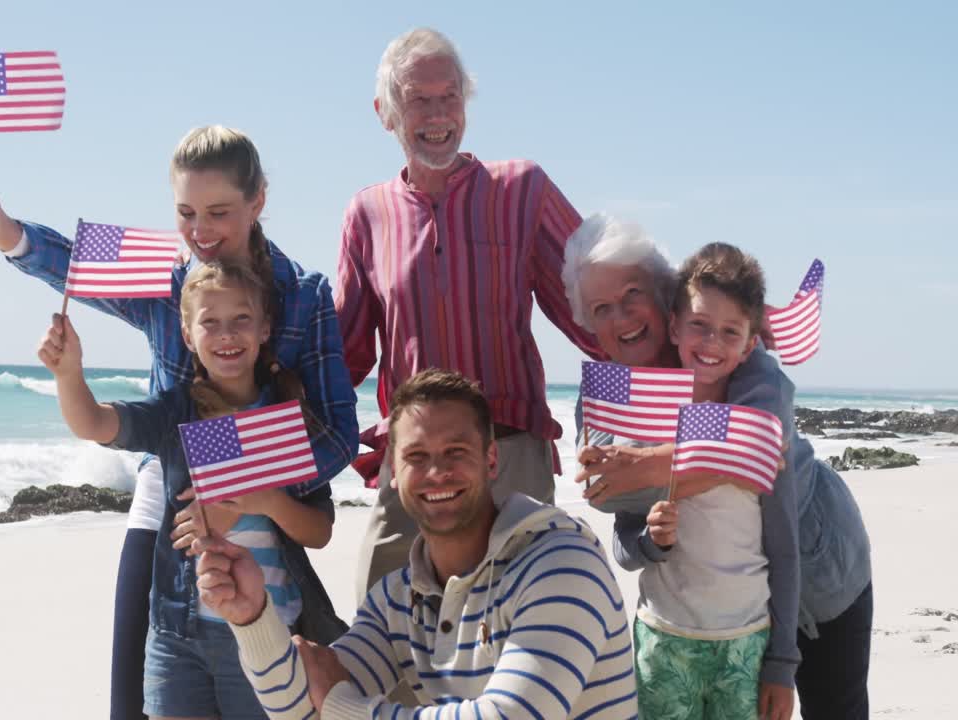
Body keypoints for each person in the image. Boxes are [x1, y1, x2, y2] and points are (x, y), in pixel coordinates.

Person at [0, 126, 359, 719]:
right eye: (186, 213)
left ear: (258, 200)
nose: (201, 232)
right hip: (165, 510)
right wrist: (1, 229)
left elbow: (339, 432)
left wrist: (240, 484)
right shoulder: (169, 279)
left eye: (219, 211)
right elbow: (76, 264)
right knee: (130, 703)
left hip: (264, 525)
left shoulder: (304, 294)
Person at [562, 215, 873, 720]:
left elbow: (756, 448)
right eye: (602, 308)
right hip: (709, 620)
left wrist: (644, 464)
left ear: (665, 298)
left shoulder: (734, 357)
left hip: (819, 567)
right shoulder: (608, 399)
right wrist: (648, 535)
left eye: (633, 294)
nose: (621, 317)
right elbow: (614, 512)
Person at [193, 369, 638, 719]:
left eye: (456, 452)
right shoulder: (398, 598)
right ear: (392, 470)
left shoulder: (562, 563)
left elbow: (512, 716)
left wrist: (343, 707)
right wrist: (252, 617)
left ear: (491, 459)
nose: (436, 473)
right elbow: (302, 709)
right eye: (416, 457)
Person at [335, 27, 605, 595]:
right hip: (411, 463)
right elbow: (344, 356)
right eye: (418, 98)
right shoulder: (367, 214)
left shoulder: (522, 189)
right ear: (386, 111)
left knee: (524, 636)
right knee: (377, 639)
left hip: (510, 455)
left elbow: (597, 307)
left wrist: (696, 354)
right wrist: (249, 402)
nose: (438, 114)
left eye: (449, 96)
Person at [37, 259, 347, 719]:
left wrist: (262, 500)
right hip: (178, 633)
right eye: (210, 322)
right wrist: (69, 375)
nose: (226, 334)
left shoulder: (287, 416)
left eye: (241, 319)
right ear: (188, 335)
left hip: (267, 633)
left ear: (264, 329)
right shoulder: (176, 412)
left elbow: (318, 531)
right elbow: (97, 423)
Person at [620, 243, 791, 719]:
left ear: (748, 345)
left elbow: (785, 548)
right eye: (699, 324)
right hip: (663, 636)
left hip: (747, 641)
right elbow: (622, 542)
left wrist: (782, 662)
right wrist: (651, 541)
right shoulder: (648, 420)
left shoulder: (764, 428)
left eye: (729, 331)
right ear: (674, 326)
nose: (712, 342)